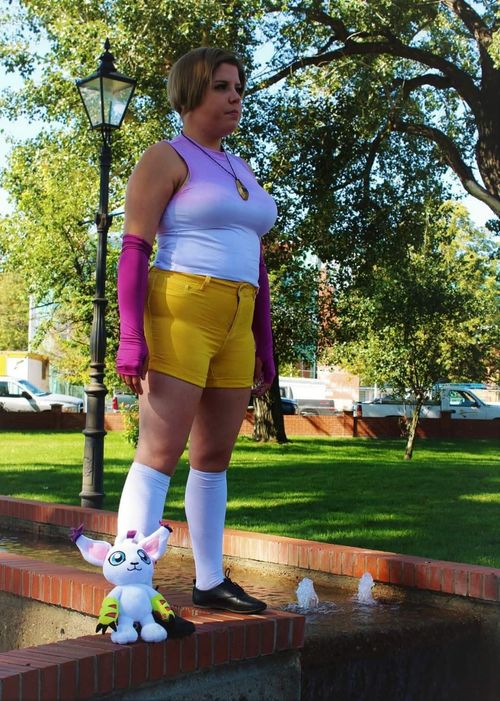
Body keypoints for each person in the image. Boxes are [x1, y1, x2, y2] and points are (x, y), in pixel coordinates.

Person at [115, 47, 278, 616]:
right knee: (159, 452)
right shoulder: (165, 157)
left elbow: (257, 263)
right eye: (222, 87)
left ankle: (209, 580)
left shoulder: (240, 167)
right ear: (190, 93)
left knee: (213, 456)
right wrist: (130, 336)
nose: (236, 97)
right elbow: (134, 248)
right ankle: (131, 587)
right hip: (180, 309)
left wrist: (264, 344)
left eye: (238, 87)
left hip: (238, 317)